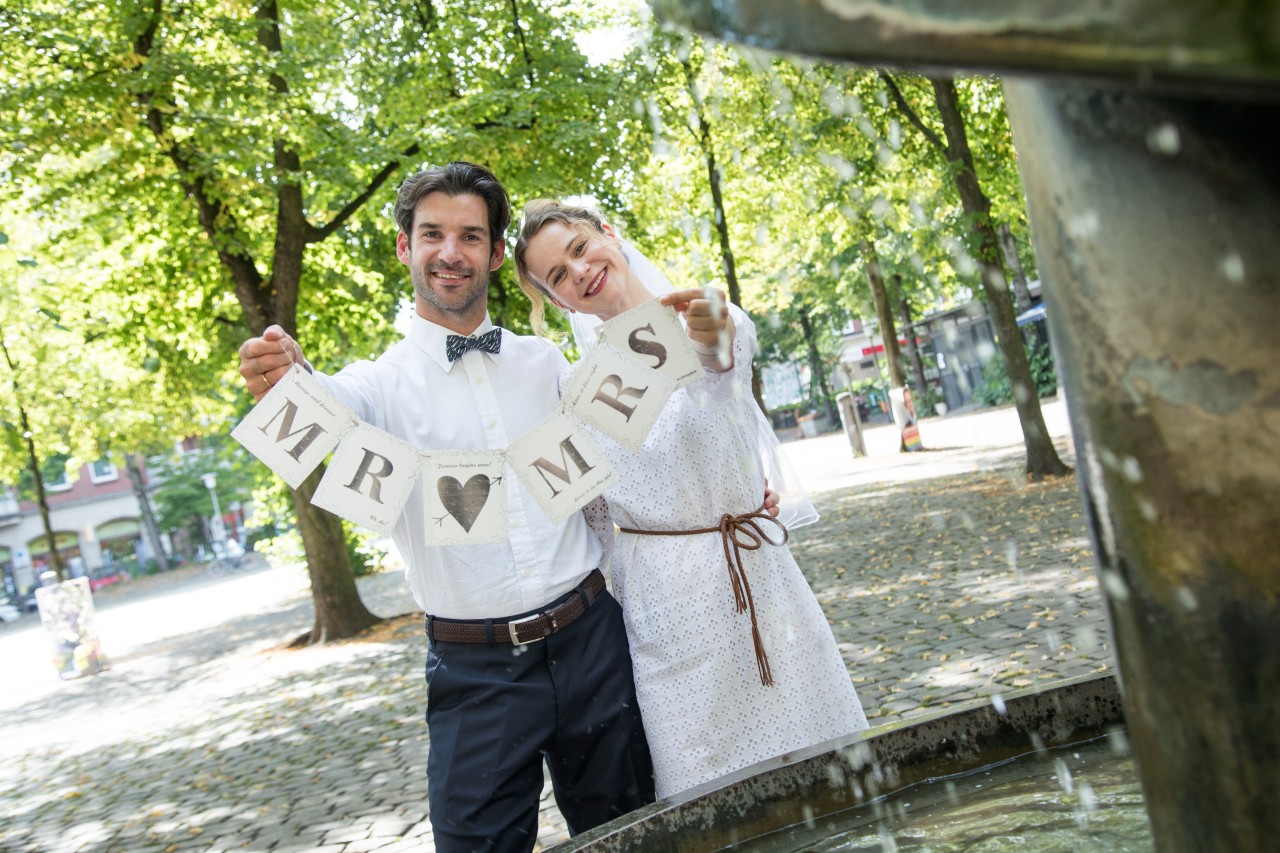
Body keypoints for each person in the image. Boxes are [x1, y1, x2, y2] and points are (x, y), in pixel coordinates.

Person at [236, 162, 655, 853]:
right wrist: (291, 378)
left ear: (495, 253)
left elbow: (628, 447)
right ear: (405, 246)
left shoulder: (545, 362)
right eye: (432, 234)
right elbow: (330, 403)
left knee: (637, 838)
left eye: (470, 235)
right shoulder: (380, 384)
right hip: (477, 673)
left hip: (592, 642)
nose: (450, 253)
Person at [514, 199, 869, 799]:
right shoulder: (575, 395)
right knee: (704, 791)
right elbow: (595, 522)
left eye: (578, 249)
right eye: (557, 276)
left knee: (825, 780)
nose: (577, 271)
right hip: (666, 612)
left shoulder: (712, 318)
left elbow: (719, 382)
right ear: (558, 302)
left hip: (759, 578)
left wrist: (711, 338)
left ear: (609, 233)